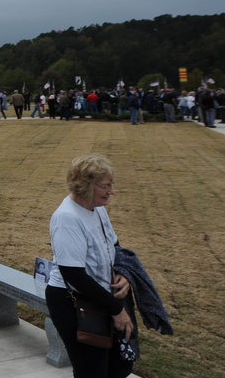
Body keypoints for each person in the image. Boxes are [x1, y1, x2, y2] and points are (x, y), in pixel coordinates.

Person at [45, 155, 134, 377]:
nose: (111, 191)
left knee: (120, 366)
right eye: (104, 186)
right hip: (73, 303)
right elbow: (73, 274)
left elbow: (114, 244)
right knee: (92, 370)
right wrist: (117, 310)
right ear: (84, 186)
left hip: (100, 297)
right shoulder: (67, 218)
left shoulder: (98, 208)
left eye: (111, 185)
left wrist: (123, 272)